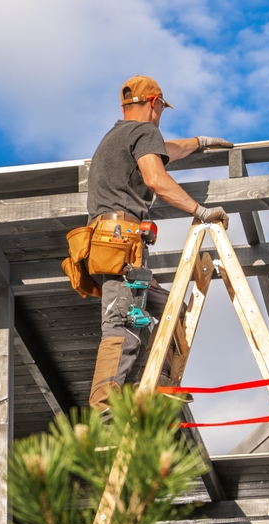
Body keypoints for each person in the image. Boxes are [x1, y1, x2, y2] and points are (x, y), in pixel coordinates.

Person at [87, 75, 232, 411]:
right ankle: (105, 413)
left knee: (172, 312)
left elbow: (163, 151)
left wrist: (200, 141)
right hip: (123, 245)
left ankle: (156, 387)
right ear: (154, 103)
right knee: (122, 326)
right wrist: (201, 211)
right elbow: (155, 177)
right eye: (161, 110)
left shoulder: (116, 137)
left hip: (112, 248)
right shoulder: (144, 132)